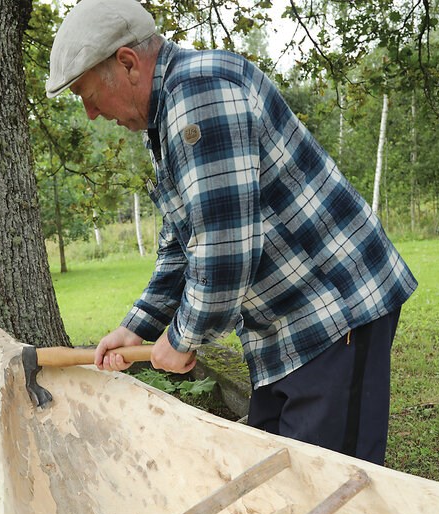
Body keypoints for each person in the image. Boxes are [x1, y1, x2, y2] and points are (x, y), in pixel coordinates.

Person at [46, 0, 418, 465]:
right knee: (275, 477)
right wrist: (135, 327)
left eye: (87, 93)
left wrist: (184, 338)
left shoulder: (200, 93)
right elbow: (182, 245)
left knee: (332, 489)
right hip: (283, 327)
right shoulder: (167, 120)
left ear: (127, 63)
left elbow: (225, 250)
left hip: (334, 310)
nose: (90, 114)